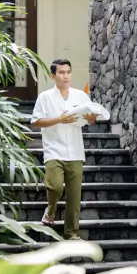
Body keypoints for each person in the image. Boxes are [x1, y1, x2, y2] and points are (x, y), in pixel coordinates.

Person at [30, 59, 98, 240]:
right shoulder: (45, 97)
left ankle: (71, 233)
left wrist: (92, 118)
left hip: (75, 151)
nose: (65, 76)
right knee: (55, 187)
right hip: (54, 150)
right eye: (61, 72)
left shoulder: (80, 96)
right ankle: (50, 210)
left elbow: (90, 120)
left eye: (68, 72)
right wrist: (58, 119)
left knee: (74, 195)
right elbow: (35, 121)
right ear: (53, 76)